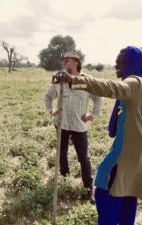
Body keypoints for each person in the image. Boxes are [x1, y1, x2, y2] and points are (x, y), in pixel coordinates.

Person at [55, 46, 142, 225]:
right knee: (128, 194)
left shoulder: (134, 83)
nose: (116, 67)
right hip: (141, 154)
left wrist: (74, 80)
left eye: (120, 63)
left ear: (130, 63)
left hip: (126, 150)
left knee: (103, 188)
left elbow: (109, 87)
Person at [44, 52, 102, 197]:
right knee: (61, 154)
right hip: (61, 123)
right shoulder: (58, 78)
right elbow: (48, 96)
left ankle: (88, 187)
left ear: (76, 62)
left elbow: (97, 98)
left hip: (79, 125)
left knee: (84, 157)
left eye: (67, 61)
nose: (64, 63)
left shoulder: (86, 80)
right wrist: (51, 110)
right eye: (63, 61)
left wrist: (92, 115)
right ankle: (64, 177)